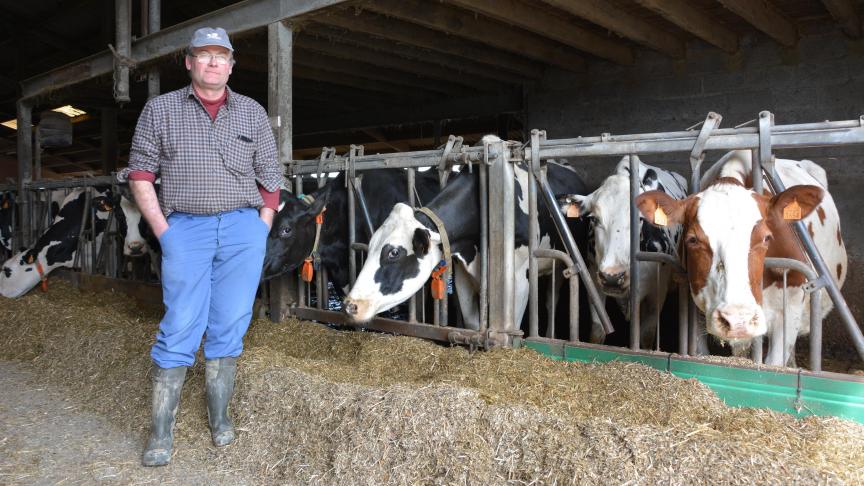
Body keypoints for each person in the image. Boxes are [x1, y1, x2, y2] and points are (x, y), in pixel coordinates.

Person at [126, 27, 282, 467]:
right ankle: (160, 433)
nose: (213, 63)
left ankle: (219, 418)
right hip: (185, 229)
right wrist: (164, 231)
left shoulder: (251, 112)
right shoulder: (160, 110)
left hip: (241, 229)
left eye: (221, 56)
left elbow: (271, 175)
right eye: (204, 55)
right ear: (190, 62)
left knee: (231, 321)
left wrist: (261, 227)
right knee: (179, 324)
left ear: (231, 65)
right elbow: (140, 173)